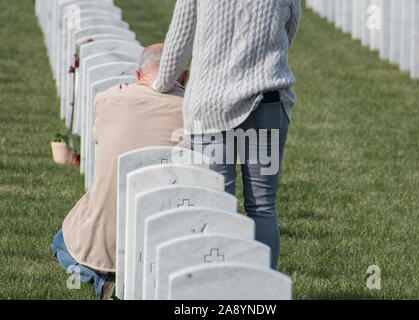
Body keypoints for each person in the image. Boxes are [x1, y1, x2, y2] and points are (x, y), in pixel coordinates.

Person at [153, 0, 301, 269]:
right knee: (263, 206)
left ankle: (220, 287)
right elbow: (289, 30)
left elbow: (181, 36)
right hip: (266, 98)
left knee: (218, 204)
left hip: (212, 104)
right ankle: (263, 291)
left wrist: (163, 82)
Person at [51, 44, 189, 299]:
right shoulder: (193, 115)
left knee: (62, 243)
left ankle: (101, 278)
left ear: (138, 76)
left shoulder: (111, 100)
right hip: (172, 236)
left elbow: (97, 137)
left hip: (107, 240)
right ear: (185, 76)